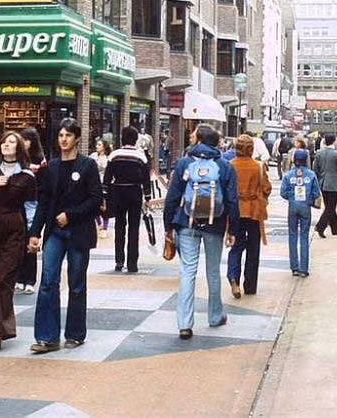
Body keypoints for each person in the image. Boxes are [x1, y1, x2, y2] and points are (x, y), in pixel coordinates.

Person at [27, 119, 103, 353]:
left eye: (68, 135)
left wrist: (70, 215)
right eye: (60, 135)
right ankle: (47, 337)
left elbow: (95, 199)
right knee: (48, 280)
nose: (63, 139)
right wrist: (34, 232)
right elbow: (44, 202)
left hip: (78, 231)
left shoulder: (88, 165)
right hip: (55, 232)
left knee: (77, 283)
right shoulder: (51, 167)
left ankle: (75, 333)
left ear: (77, 138)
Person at [163, 123, 238, 340]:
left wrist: (168, 226)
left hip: (187, 222)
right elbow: (232, 200)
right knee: (213, 271)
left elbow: (173, 197)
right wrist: (232, 229)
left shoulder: (185, 163)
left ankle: (184, 324)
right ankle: (215, 316)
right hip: (215, 224)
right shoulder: (225, 166)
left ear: (199, 140)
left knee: (188, 271)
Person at [0, 130, 37, 350]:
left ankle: (0, 330)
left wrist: (33, 234)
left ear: (19, 148)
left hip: (15, 225)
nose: (6, 145)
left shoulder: (27, 176)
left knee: (5, 276)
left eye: (11, 142)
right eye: (3, 142)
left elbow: (31, 206)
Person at [226, 134, 271, 297]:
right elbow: (267, 188)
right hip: (254, 211)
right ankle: (250, 285)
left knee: (236, 246)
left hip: (235, 211)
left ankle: (233, 278)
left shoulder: (230, 165)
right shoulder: (258, 166)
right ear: (251, 149)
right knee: (253, 248)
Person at [103, 126, 152, 273]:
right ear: (136, 139)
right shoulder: (140, 156)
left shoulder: (114, 155)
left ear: (122, 138)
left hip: (118, 191)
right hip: (135, 192)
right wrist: (148, 197)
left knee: (119, 226)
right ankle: (132, 263)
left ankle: (119, 261)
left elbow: (107, 178)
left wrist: (105, 195)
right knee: (134, 227)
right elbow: (146, 178)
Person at [280, 148, 320, 277]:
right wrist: (309, 199)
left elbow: (283, 193)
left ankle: (294, 267)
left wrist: (291, 198)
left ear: (294, 160)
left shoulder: (288, 175)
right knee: (304, 236)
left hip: (292, 206)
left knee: (292, 235)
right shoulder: (311, 175)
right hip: (305, 207)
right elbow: (316, 193)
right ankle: (304, 268)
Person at [16, 127, 46, 294]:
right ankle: (20, 277)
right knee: (19, 242)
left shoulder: (40, 160)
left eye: (26, 140)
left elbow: (43, 184)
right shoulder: (19, 159)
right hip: (19, 204)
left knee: (30, 241)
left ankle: (30, 279)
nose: (23, 143)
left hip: (33, 205)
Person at [312, 133, 337, 238]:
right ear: (334, 141)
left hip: (323, 183)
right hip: (334, 183)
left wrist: (319, 179)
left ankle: (335, 229)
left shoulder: (319, 153)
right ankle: (320, 226)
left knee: (329, 206)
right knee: (331, 207)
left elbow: (315, 169)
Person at [93, 138, 112, 238]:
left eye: (99, 145)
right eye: (97, 144)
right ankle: (99, 224)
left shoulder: (108, 158)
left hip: (104, 184)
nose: (97, 146)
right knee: (94, 205)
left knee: (104, 207)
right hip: (94, 184)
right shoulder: (93, 156)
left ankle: (104, 228)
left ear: (104, 147)